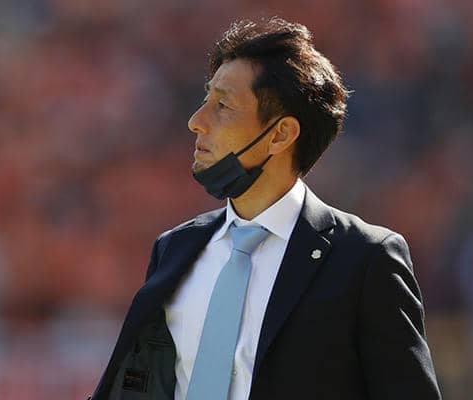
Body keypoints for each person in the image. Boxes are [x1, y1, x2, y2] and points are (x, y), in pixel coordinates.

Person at [89, 17, 441, 400]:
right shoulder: (173, 249)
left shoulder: (366, 259)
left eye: (223, 105)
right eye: (206, 99)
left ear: (280, 134)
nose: (196, 122)